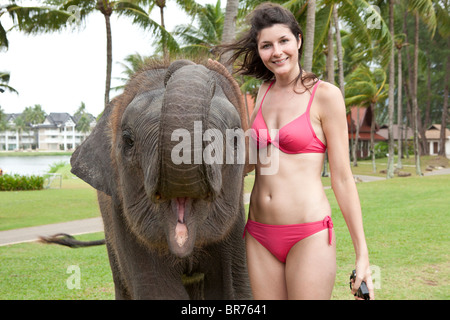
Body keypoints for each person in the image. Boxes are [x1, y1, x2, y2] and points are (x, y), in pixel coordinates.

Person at [218, 2, 374, 299]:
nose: (276, 52)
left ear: (298, 40)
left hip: (309, 234)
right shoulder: (261, 93)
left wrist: (362, 254)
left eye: (283, 41)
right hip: (259, 235)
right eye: (266, 45)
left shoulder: (325, 96)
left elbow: (342, 178)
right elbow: (251, 161)